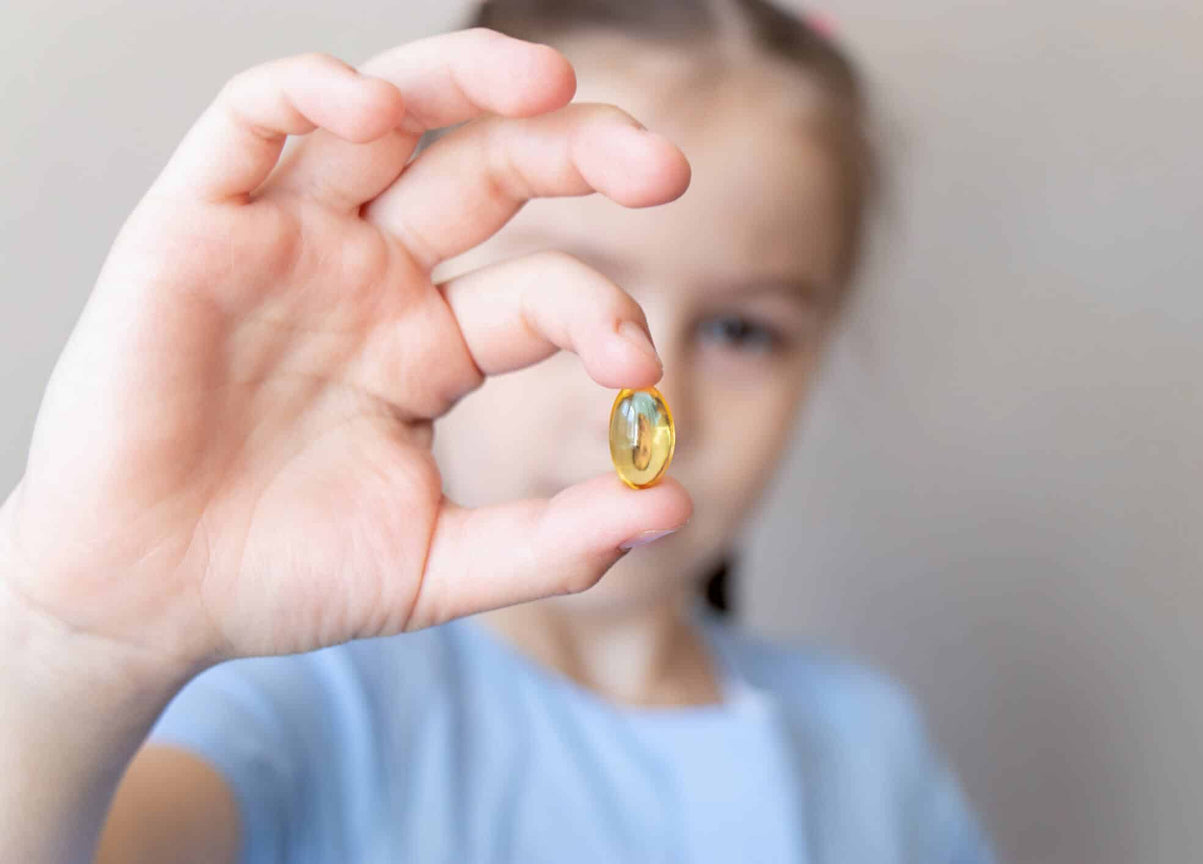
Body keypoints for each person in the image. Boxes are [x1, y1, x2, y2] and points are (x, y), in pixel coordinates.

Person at [0, 2, 996, 862]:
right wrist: (72, 647)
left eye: (742, 330)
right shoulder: (307, 709)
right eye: (576, 302)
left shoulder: (872, 748)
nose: (651, 399)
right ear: (428, 290)